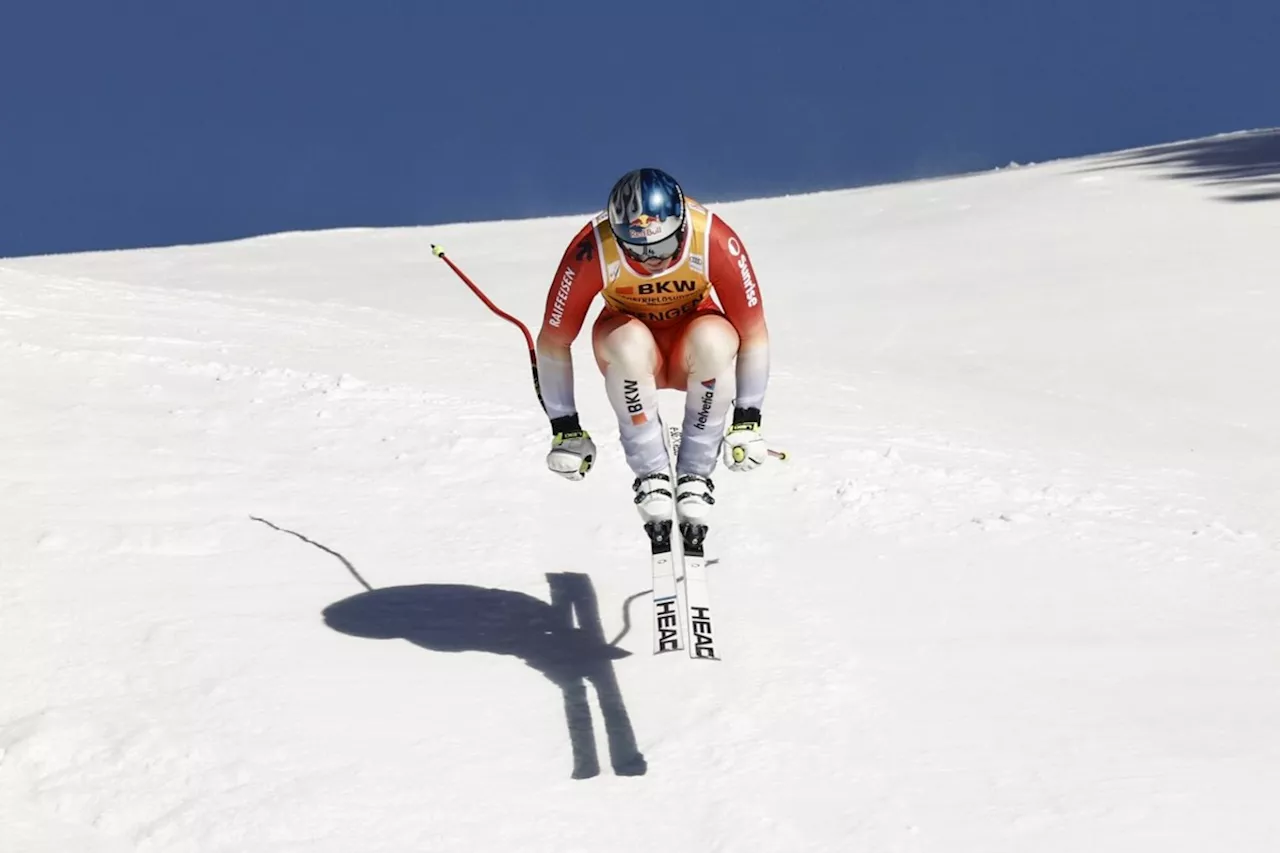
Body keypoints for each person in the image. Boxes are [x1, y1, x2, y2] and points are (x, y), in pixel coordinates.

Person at [534, 167, 772, 527]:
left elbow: (753, 332)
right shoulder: (594, 249)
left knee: (715, 339)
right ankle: (650, 473)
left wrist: (748, 420)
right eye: (635, 249)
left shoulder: (710, 239)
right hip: (631, 352)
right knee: (628, 344)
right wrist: (565, 428)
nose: (651, 261)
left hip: (690, 350)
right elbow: (554, 340)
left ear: (680, 227)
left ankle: (695, 471)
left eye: (661, 246)